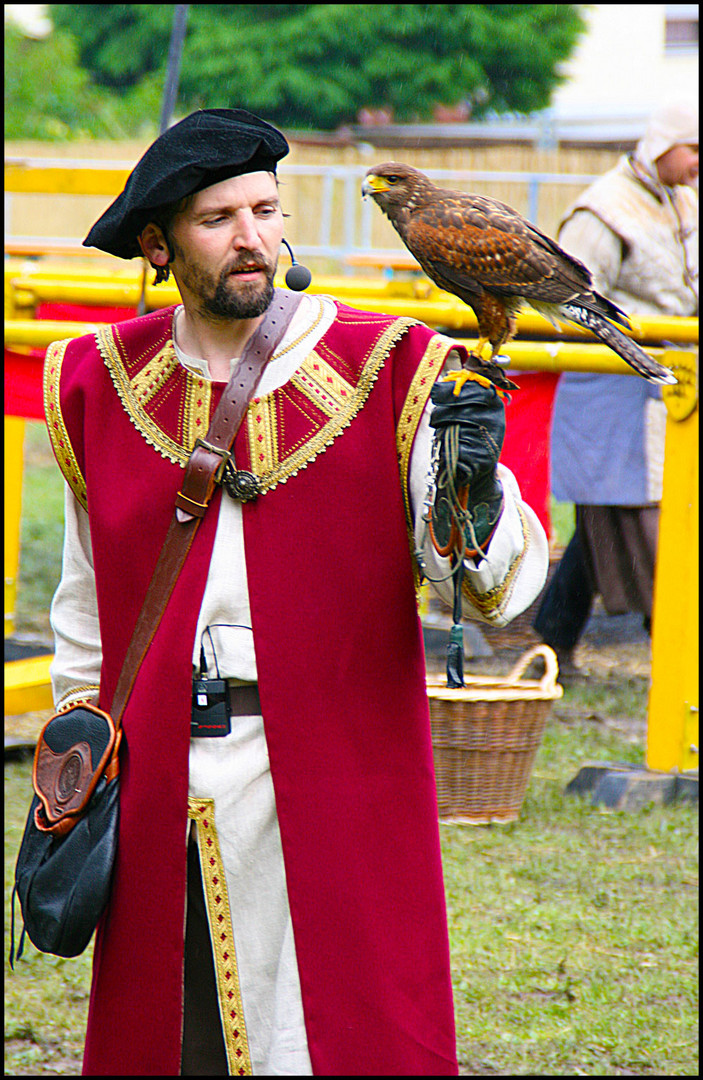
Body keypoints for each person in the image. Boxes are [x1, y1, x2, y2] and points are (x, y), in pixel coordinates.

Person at [43, 108, 548, 1076]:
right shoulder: (96, 384)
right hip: (160, 779)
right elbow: (81, 602)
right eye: (217, 218)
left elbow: (493, 592)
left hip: (338, 766)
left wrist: (471, 492)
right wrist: (76, 765)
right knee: (175, 1039)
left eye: (266, 211)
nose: (251, 239)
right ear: (155, 244)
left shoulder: (390, 368)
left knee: (342, 1037)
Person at [534, 101, 698, 677]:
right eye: (694, 149)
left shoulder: (678, 199)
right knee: (640, 520)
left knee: (615, 516)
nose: (699, 163)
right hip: (616, 384)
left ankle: (553, 636)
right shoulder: (602, 210)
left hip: (669, 380)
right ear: (662, 146)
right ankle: (676, 660)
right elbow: (577, 297)